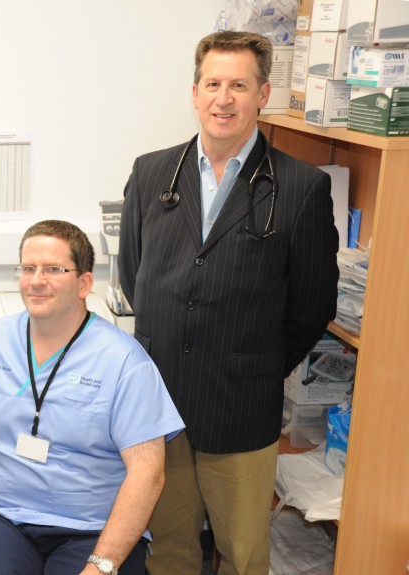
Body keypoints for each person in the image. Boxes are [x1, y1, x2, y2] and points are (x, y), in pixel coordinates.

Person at [119, 31, 339, 575]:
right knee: (168, 549)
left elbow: (313, 305)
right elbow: (131, 272)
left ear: (262, 94)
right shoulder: (152, 174)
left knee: (241, 553)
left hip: (241, 408)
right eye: (213, 83)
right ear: (194, 92)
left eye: (239, 85)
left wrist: (255, 365)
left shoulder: (301, 187)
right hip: (160, 406)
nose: (224, 98)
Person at [0, 220, 184, 575]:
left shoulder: (124, 360)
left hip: (91, 528)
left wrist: (101, 565)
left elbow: (148, 472)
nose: (36, 280)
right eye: (28, 268)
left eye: (54, 269)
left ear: (84, 283)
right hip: (4, 519)